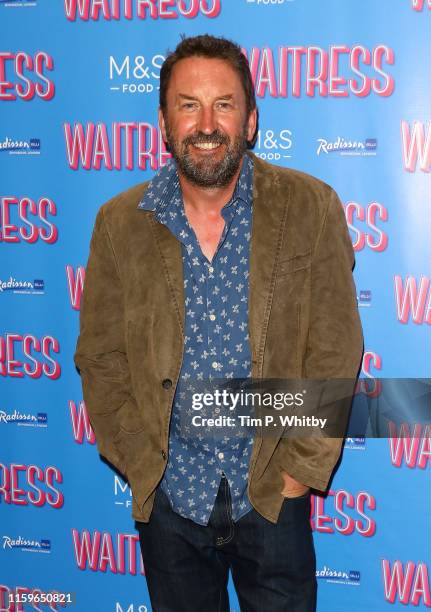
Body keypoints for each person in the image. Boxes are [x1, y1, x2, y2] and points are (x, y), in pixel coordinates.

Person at [75, 34, 363, 612]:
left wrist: (299, 472)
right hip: (171, 504)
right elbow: (101, 358)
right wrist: (140, 462)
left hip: (272, 496)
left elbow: (335, 349)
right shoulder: (119, 224)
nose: (206, 124)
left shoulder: (310, 206)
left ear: (251, 120)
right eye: (188, 105)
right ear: (163, 121)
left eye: (224, 105)